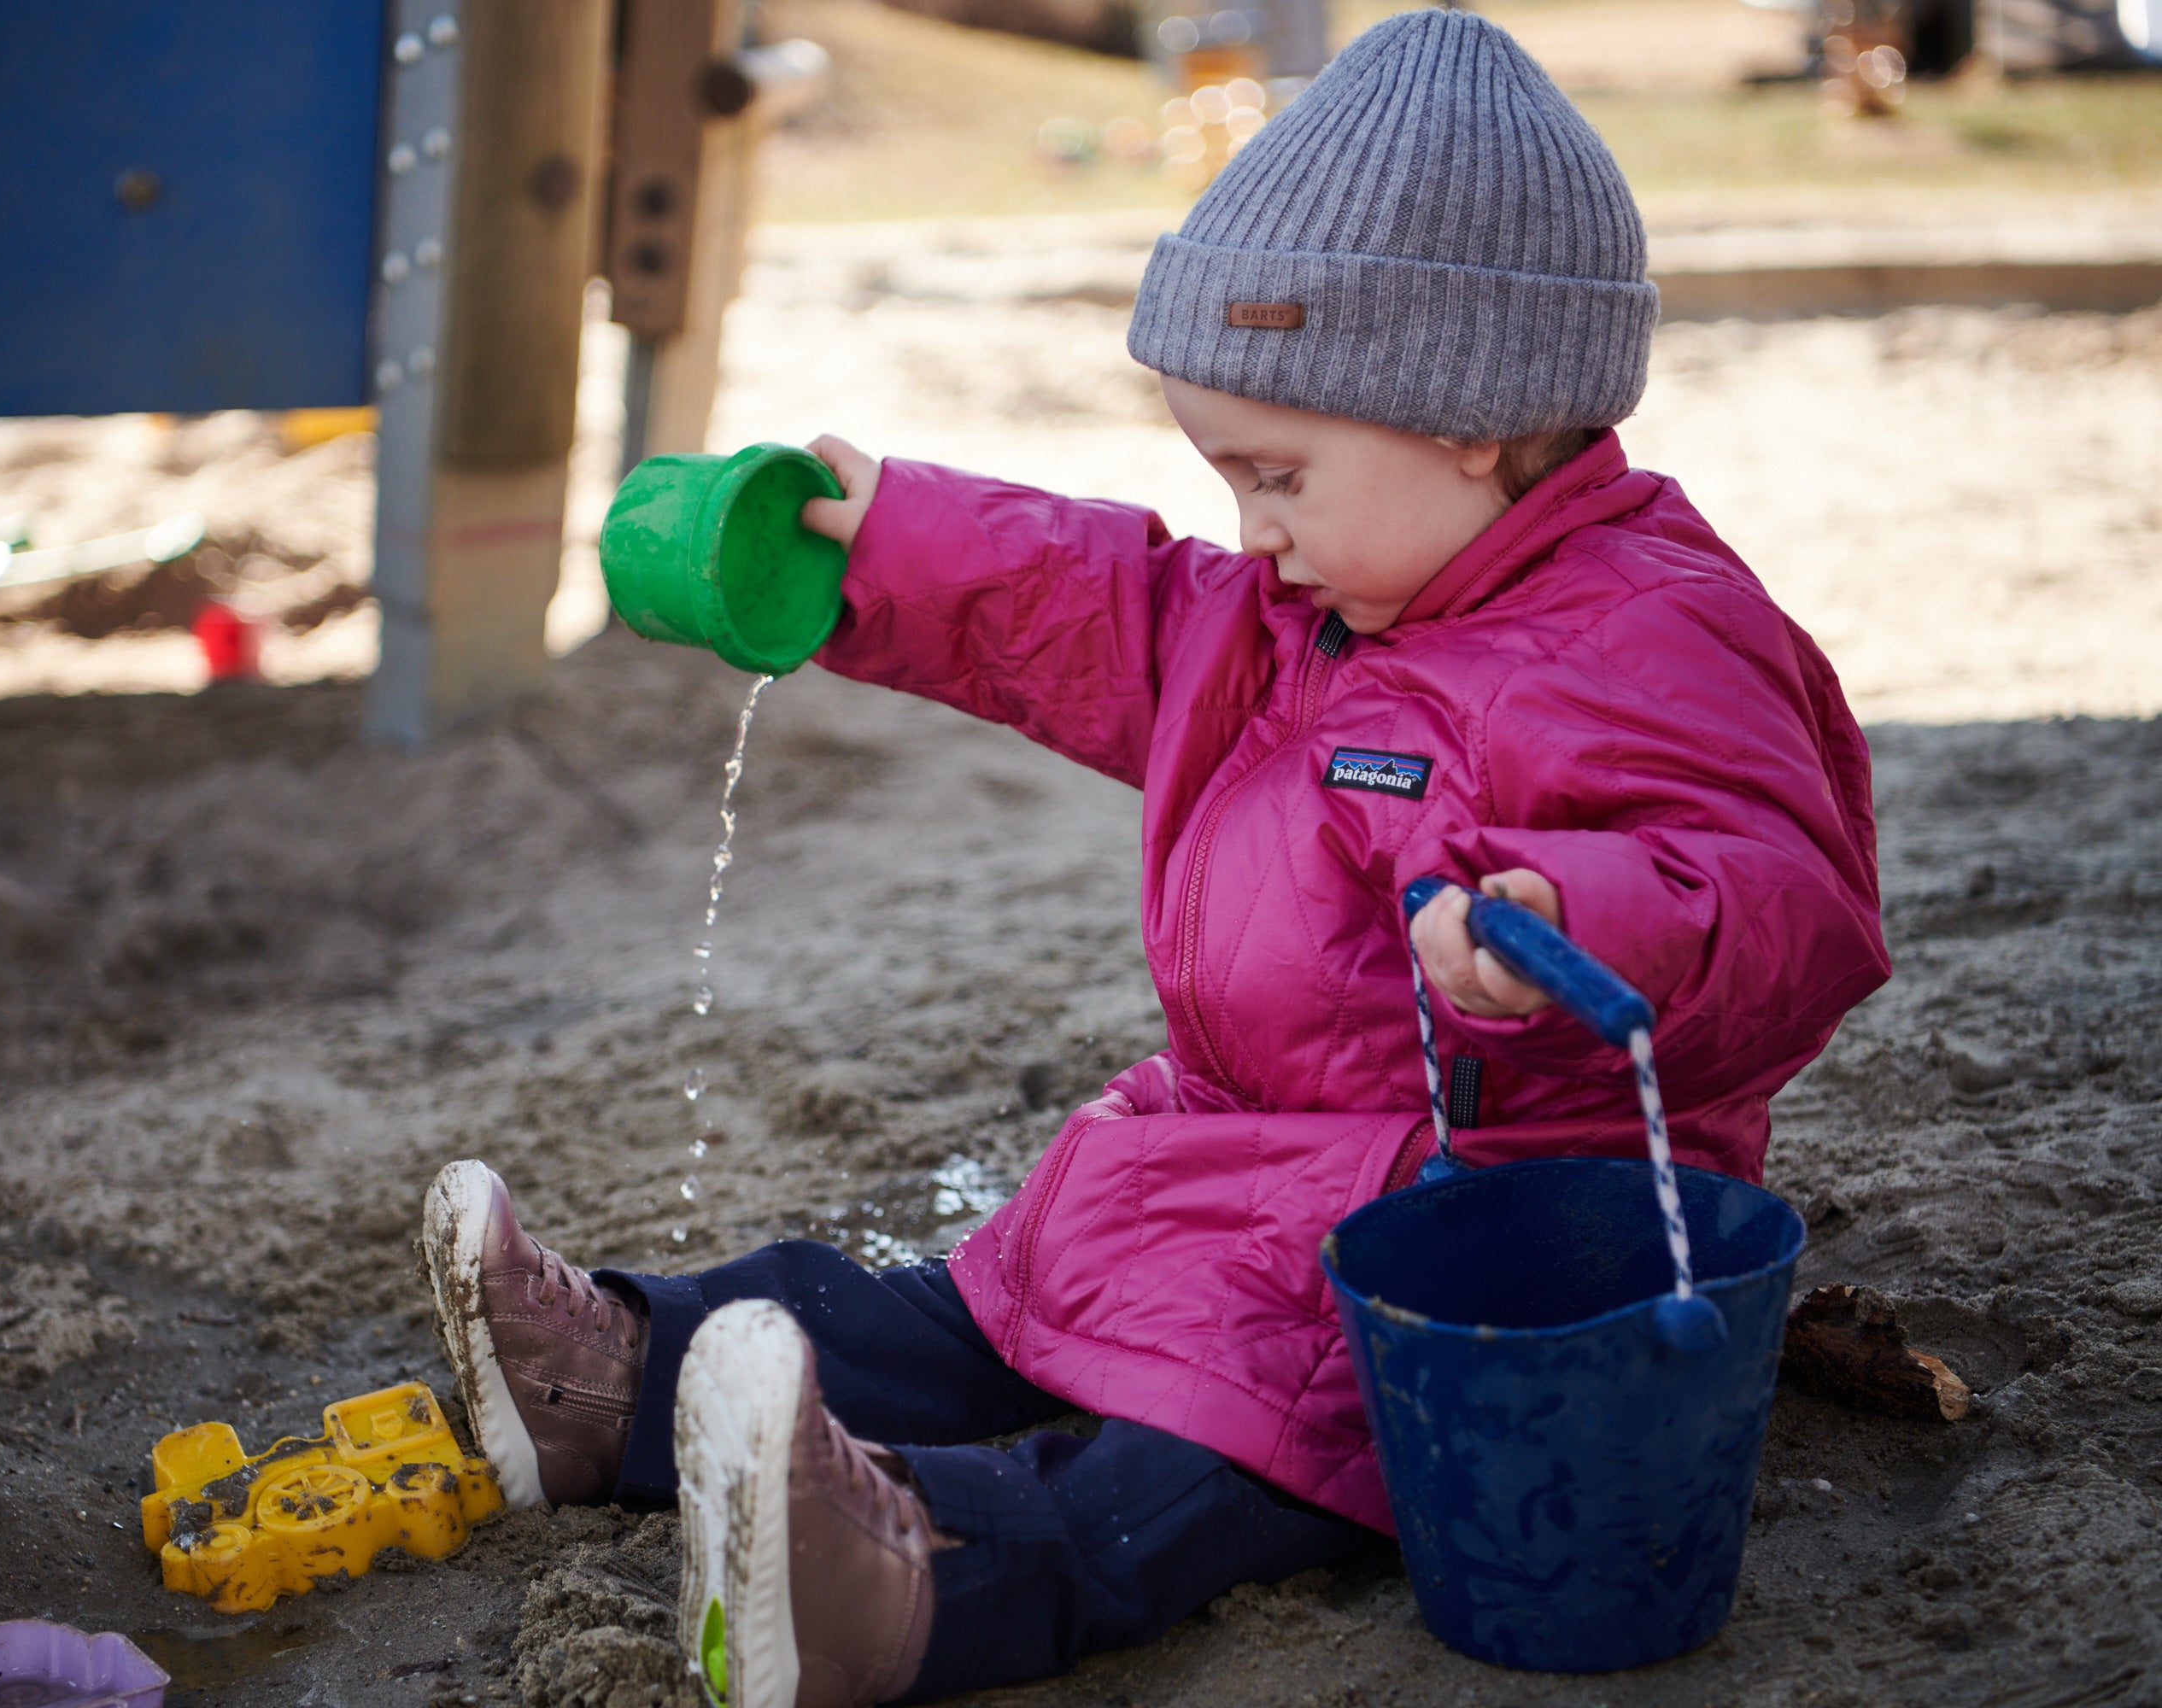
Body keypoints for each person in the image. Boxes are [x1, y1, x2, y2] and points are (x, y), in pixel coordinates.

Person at [423, 11, 1890, 1706]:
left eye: (1278, 475)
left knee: (1234, 1441)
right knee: (983, 1299)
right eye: (1226, 474)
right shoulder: (1304, 600)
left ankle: (906, 1574)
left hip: (1479, 1231)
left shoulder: (1648, 636)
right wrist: (891, 534)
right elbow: (1107, 606)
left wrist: (1585, 925)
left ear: (1480, 419)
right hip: (1230, 1143)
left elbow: (1787, 895)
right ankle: (615, 1372)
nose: (1249, 527)